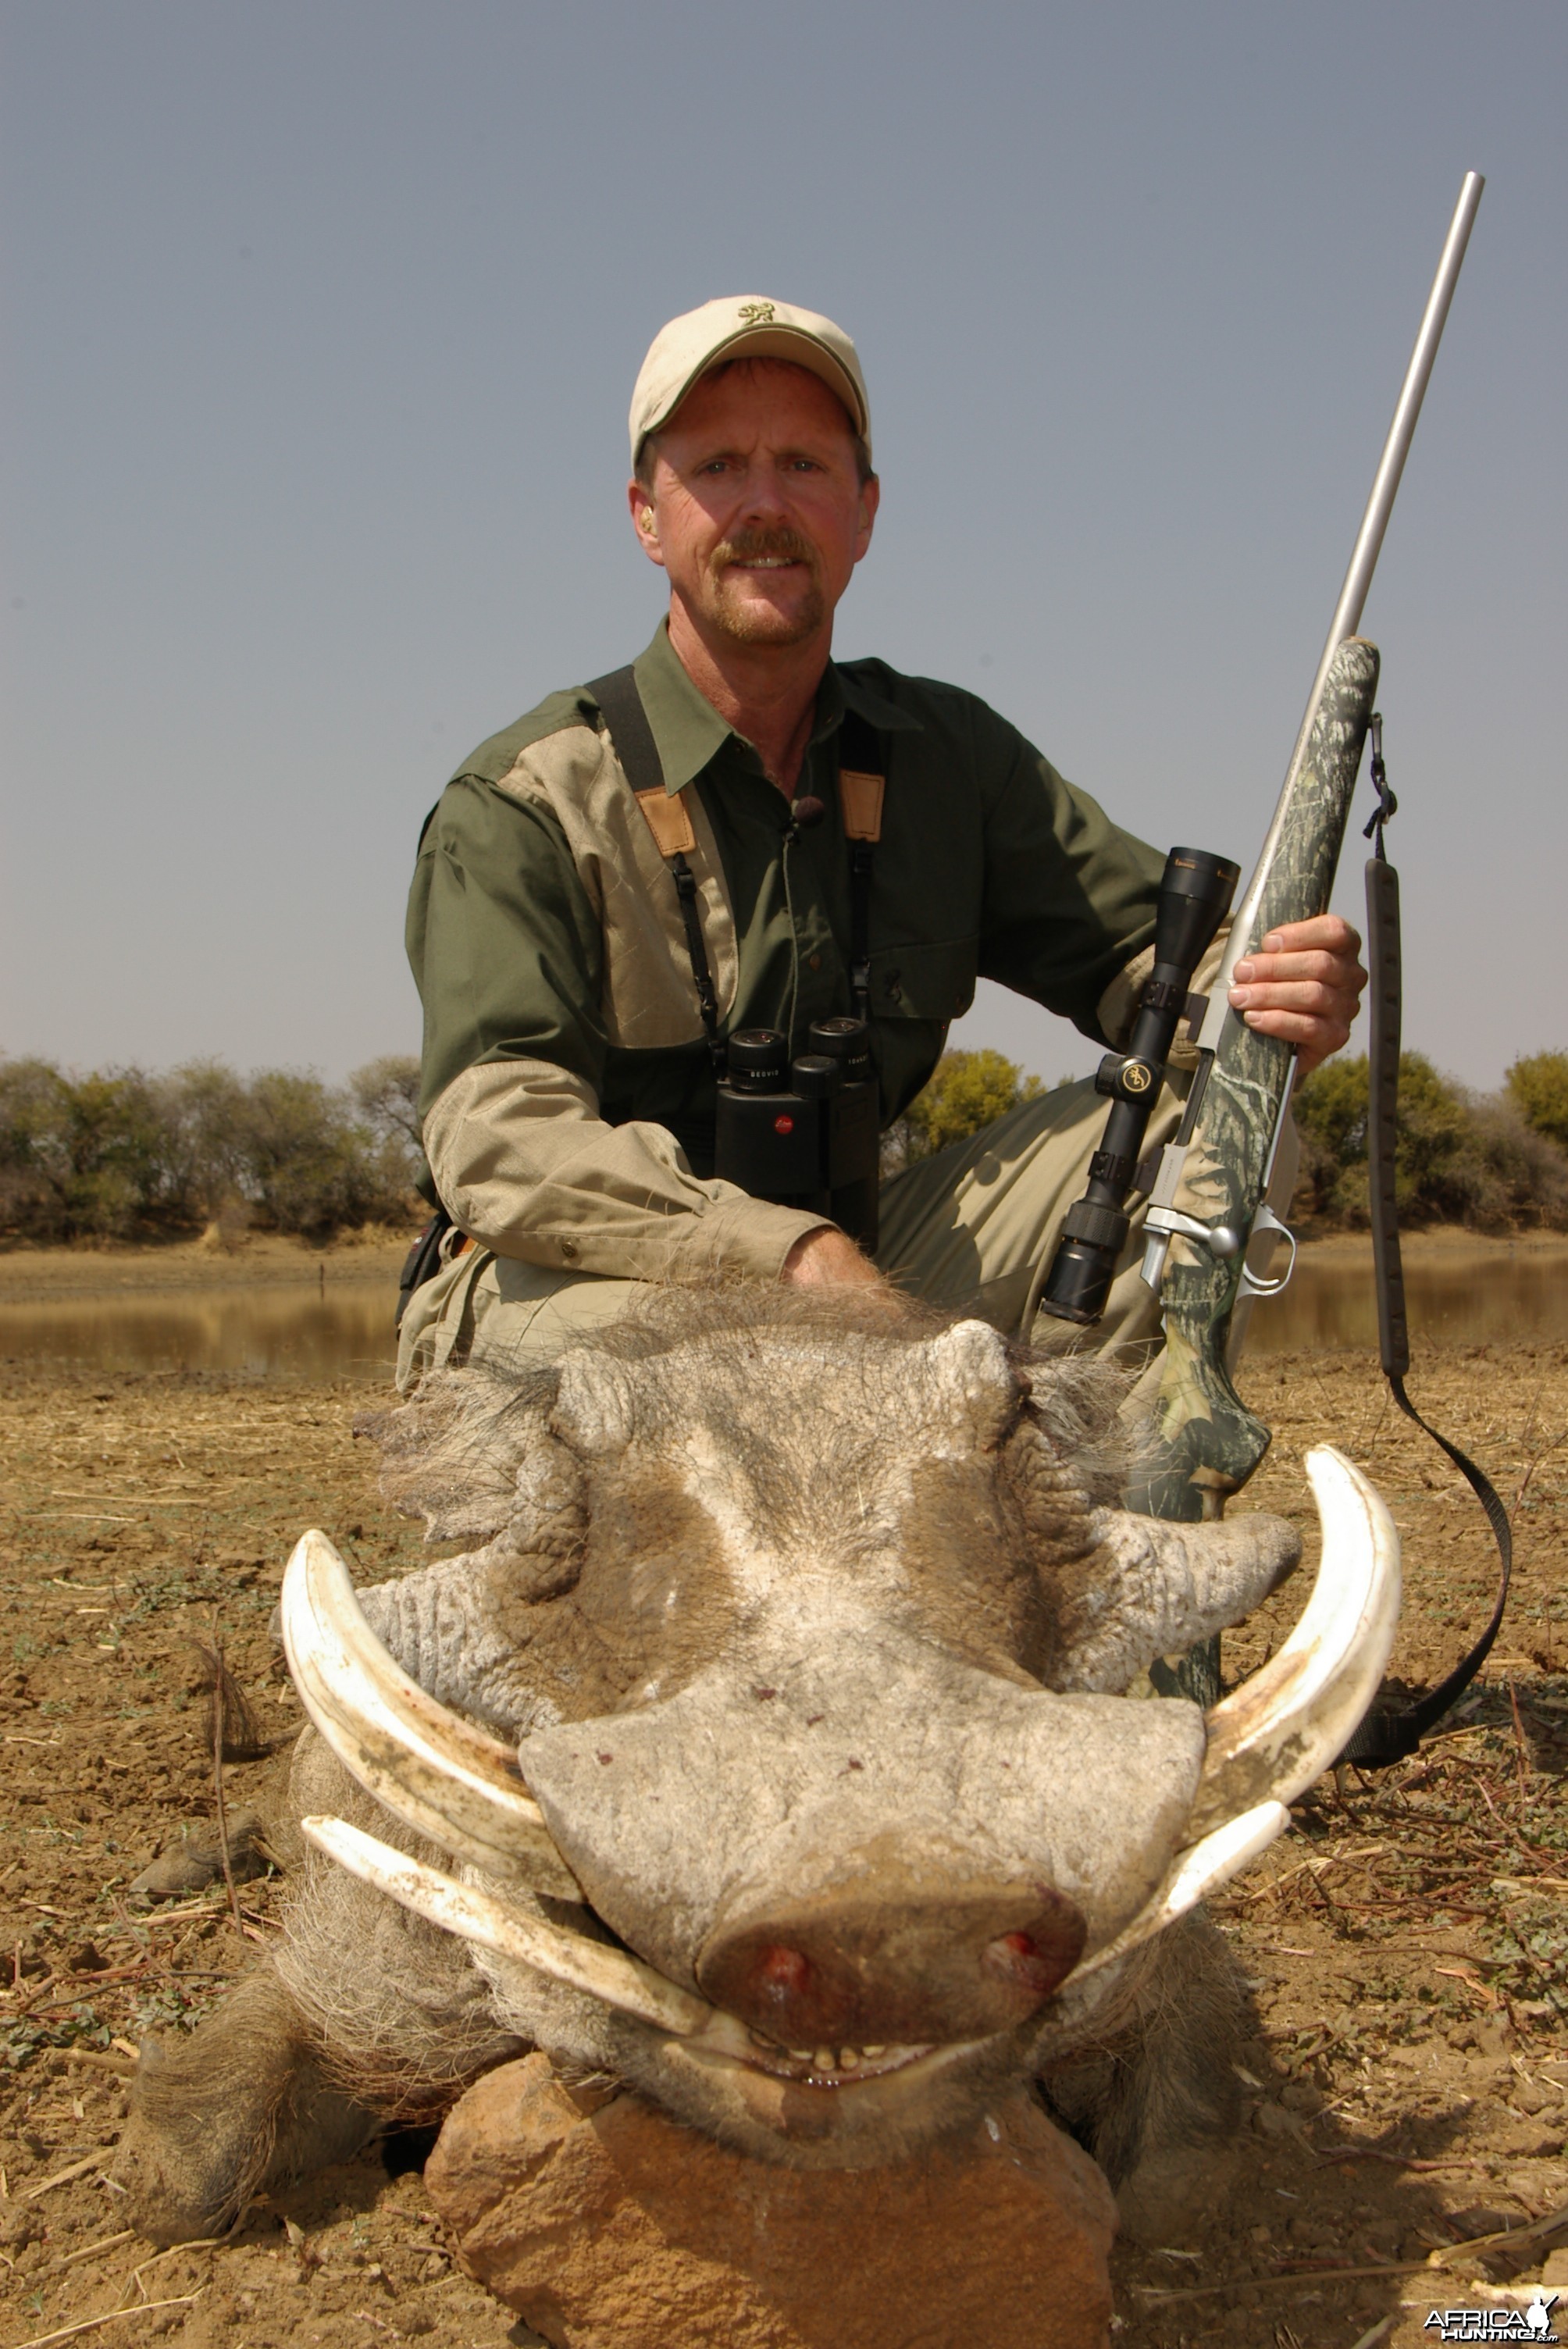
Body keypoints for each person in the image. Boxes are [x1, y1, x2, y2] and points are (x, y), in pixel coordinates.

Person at [398, 296, 1364, 1392]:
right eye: (717, 465)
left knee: (1222, 1121)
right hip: (578, 1285)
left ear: (863, 514)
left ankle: (1097, 1526)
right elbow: (494, 1135)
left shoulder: (946, 754)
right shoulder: (524, 799)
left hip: (859, 1267)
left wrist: (1276, 997)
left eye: (806, 466)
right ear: (645, 516)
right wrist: (786, 1255)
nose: (764, 504)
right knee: (742, 1361)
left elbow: (1164, 975)